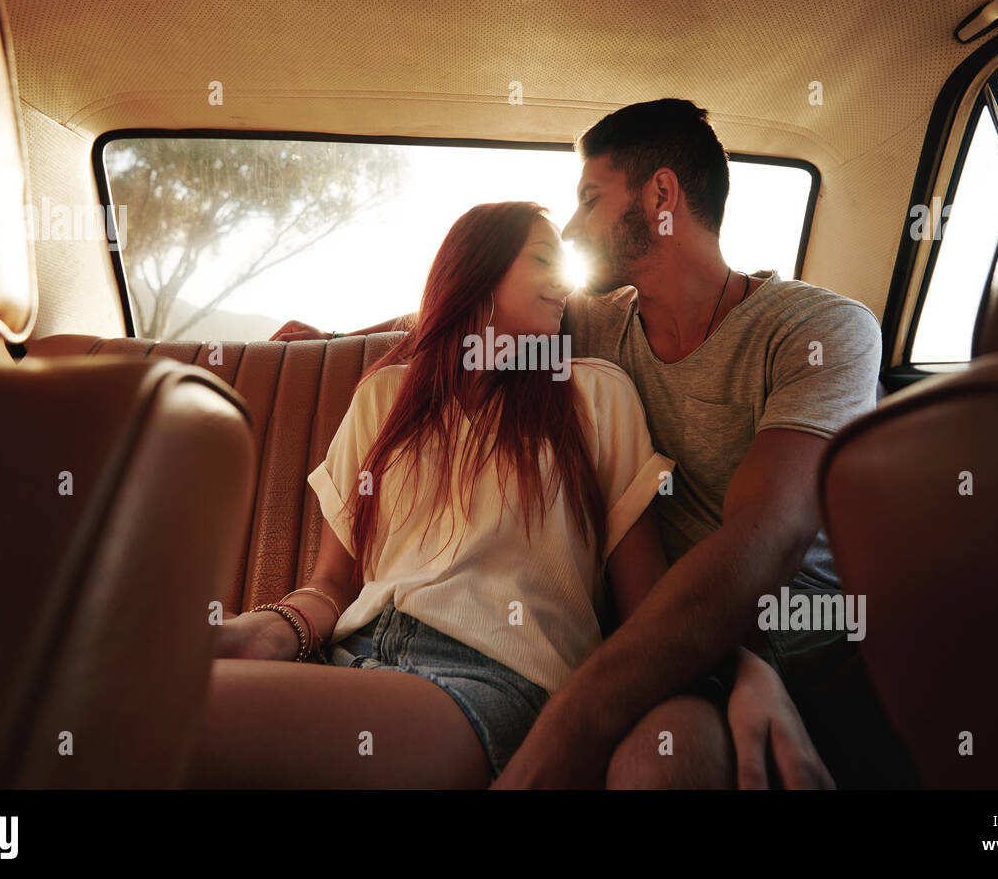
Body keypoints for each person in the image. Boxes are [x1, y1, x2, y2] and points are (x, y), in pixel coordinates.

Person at [272, 99, 917, 790]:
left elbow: (766, 538)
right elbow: (464, 307)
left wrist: (581, 714)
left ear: (661, 195)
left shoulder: (819, 329)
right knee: (667, 750)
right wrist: (333, 339)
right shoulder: (594, 325)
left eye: (589, 199)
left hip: (796, 640)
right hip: (662, 644)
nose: (574, 229)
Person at [192, 200, 701, 787]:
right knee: (141, 686)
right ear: (478, 270)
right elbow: (333, 584)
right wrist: (260, 631)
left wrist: (740, 678)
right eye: (542, 259)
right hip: (351, 658)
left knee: (163, 717)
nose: (565, 281)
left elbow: (649, 609)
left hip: (496, 680)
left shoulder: (598, 395)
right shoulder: (383, 399)